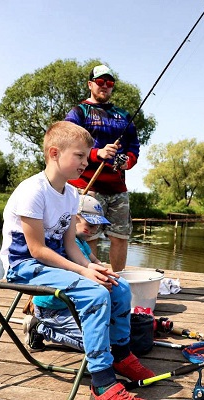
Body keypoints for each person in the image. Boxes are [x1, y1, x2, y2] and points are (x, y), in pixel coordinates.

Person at [0, 121, 152, 400]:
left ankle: (120, 355)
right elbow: (36, 250)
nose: (86, 162)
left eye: (87, 156)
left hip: (54, 263)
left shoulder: (71, 194)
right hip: (25, 268)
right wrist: (83, 273)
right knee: (95, 293)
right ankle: (102, 381)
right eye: (80, 156)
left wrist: (90, 266)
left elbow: (70, 244)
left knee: (119, 287)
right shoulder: (33, 190)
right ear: (54, 153)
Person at [66, 64, 140, 272]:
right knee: (87, 235)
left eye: (109, 83)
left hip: (118, 188)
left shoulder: (123, 115)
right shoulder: (79, 112)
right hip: (87, 186)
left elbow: (134, 145)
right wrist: (95, 154)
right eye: (100, 82)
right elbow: (68, 142)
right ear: (91, 84)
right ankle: (91, 281)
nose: (104, 86)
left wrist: (129, 161)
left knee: (120, 236)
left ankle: (118, 283)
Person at [23, 194, 112, 353]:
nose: (93, 230)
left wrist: (105, 270)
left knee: (106, 336)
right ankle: (40, 327)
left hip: (72, 305)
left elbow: (94, 261)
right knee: (96, 345)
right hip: (52, 307)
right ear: (76, 218)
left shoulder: (82, 243)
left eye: (97, 227)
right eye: (90, 225)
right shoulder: (68, 244)